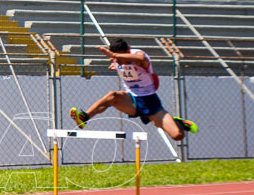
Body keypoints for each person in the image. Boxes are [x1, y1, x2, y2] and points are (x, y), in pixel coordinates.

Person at [69, 38, 197, 140]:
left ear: (127, 51)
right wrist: (115, 62)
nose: (117, 61)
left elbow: (141, 59)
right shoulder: (116, 60)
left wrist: (115, 56)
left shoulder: (138, 55)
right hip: (132, 99)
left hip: (150, 101)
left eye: (120, 58)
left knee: (177, 136)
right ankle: (84, 118)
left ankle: (178, 122)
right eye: (115, 59)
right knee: (112, 96)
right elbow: (119, 65)